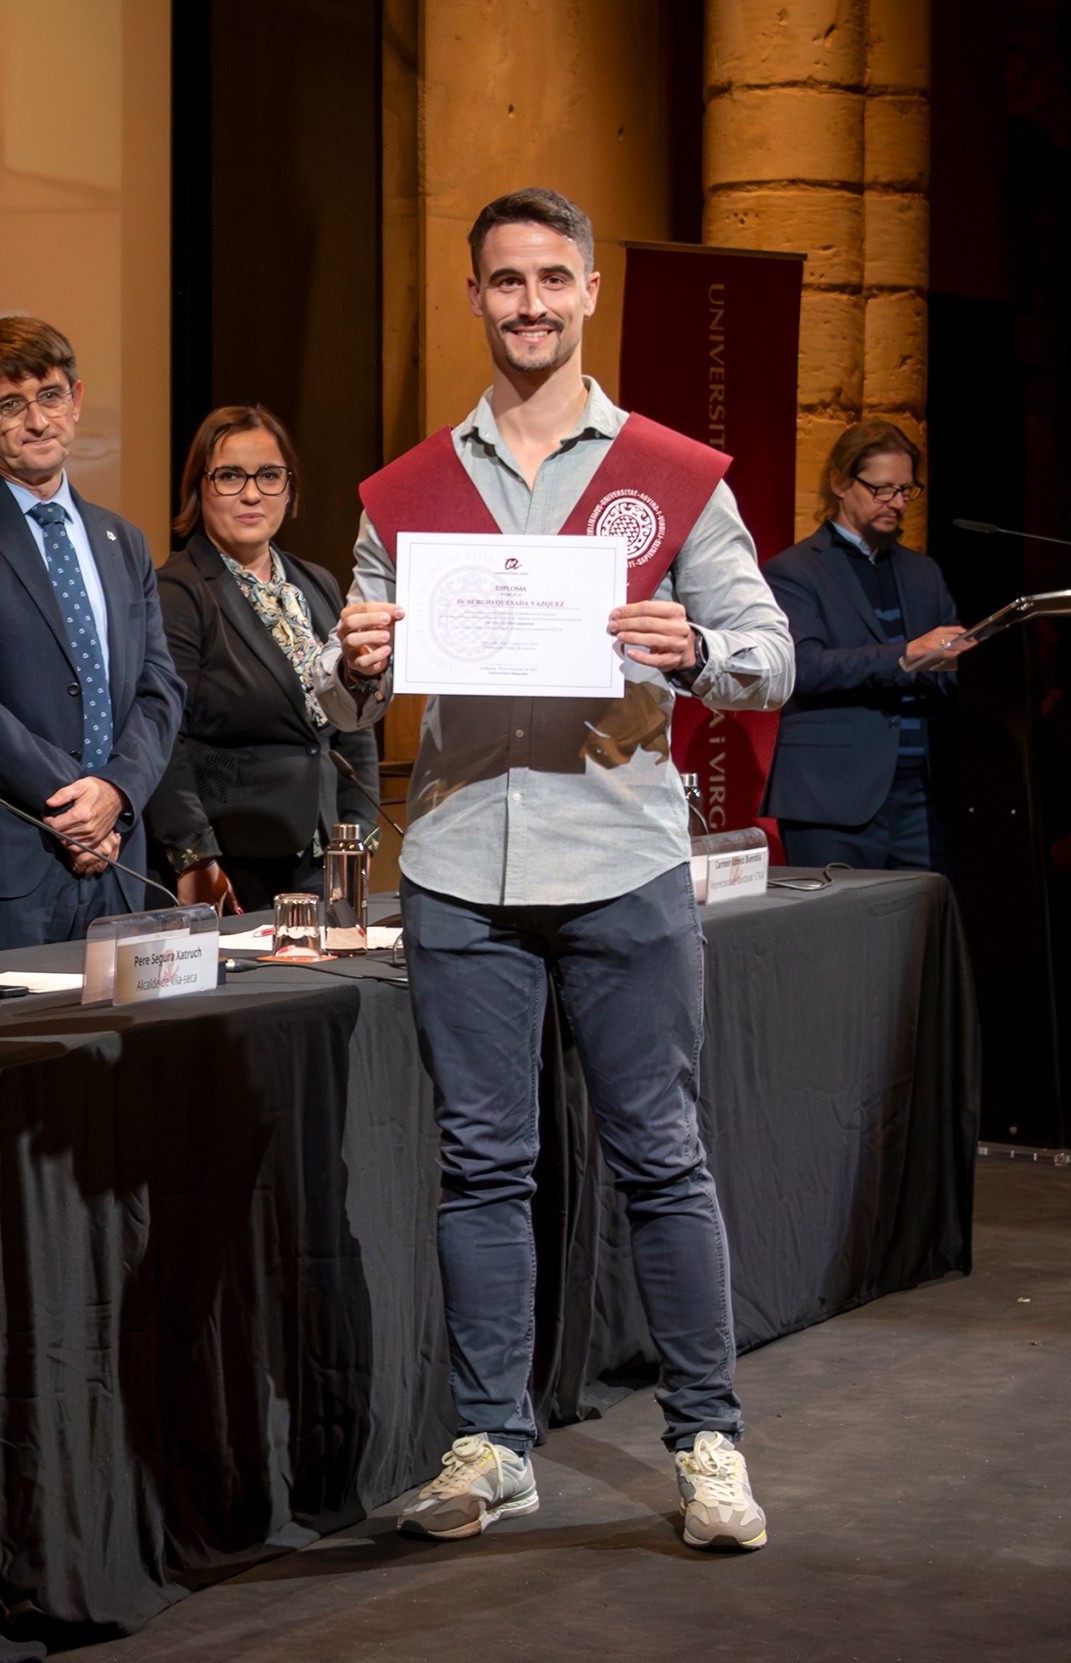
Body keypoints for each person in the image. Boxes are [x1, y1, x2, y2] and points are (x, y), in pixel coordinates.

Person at [327, 188, 794, 1551]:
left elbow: (770, 653)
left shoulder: (671, 474)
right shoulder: (409, 491)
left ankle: (708, 1442)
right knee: (482, 1165)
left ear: (589, 291)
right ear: (474, 296)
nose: (528, 302)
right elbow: (351, 698)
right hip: (461, 863)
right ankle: (492, 1443)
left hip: (619, 855)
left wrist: (696, 650)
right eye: (504, 281)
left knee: (662, 1156)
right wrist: (354, 667)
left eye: (551, 278)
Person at [0, 316, 183, 949]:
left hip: (122, 856)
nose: (37, 421)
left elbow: (159, 688)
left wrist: (116, 792)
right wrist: (78, 806)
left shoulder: (123, 539)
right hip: (14, 862)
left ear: (75, 400)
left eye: (49, 396)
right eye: (9, 406)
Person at [146, 403, 379, 912]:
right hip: (230, 868)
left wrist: (359, 833)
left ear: (289, 488)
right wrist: (194, 855)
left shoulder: (315, 581)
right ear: (199, 488)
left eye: (269, 476)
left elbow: (353, 717)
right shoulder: (176, 591)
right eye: (230, 476)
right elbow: (163, 737)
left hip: (326, 856)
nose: (252, 494)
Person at [760, 420, 968, 878]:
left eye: (906, 490)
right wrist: (905, 655)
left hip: (921, 795)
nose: (898, 503)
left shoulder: (923, 572)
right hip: (832, 796)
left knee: (924, 921)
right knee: (840, 922)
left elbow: (950, 672)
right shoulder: (793, 571)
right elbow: (804, 668)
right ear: (839, 482)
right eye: (882, 489)